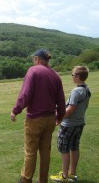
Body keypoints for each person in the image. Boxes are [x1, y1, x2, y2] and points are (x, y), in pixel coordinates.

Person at [10, 49, 66, 183]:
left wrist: (15, 110)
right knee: (45, 153)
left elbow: (25, 94)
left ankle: (26, 179)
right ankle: (43, 180)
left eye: (33, 59)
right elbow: (61, 99)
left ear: (37, 59)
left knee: (30, 152)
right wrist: (60, 116)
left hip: (35, 118)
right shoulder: (55, 75)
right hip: (50, 119)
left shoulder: (33, 71)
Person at [50, 66, 91, 182]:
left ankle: (64, 176)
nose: (72, 77)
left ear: (77, 77)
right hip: (79, 123)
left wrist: (57, 116)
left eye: (72, 75)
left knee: (64, 149)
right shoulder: (86, 89)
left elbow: (69, 110)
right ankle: (72, 174)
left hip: (69, 125)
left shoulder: (76, 91)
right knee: (74, 147)